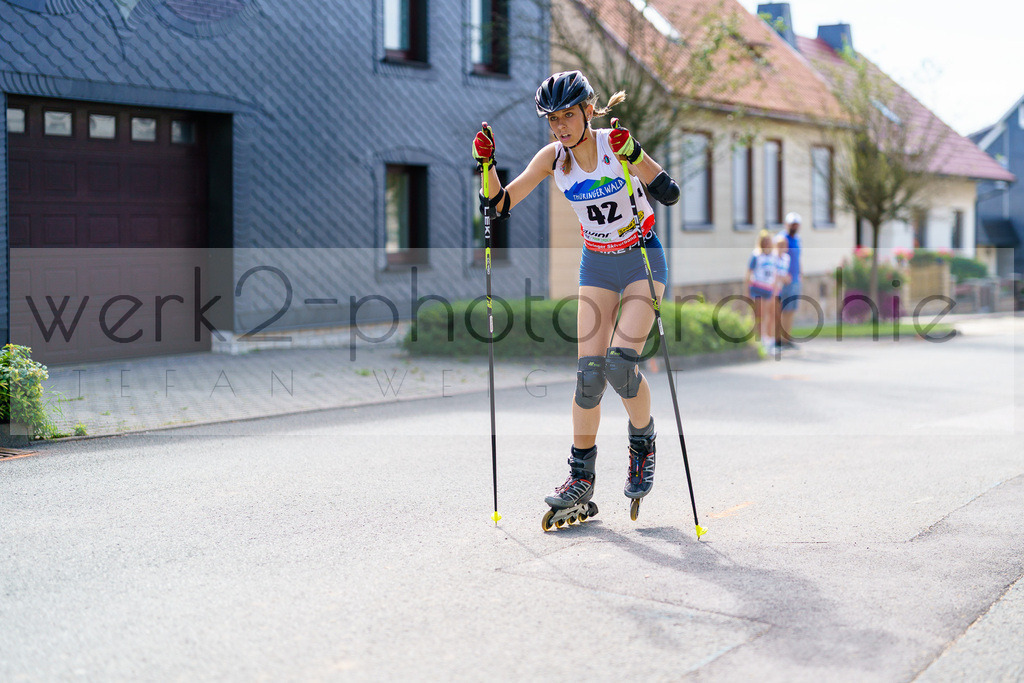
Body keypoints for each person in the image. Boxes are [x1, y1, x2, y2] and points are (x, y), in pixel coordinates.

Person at [472, 70, 681, 514]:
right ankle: (581, 478)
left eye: (568, 115)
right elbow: (498, 205)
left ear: (588, 110)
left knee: (620, 366)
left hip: (641, 258)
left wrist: (635, 153)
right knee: (589, 377)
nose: (560, 126)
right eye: (553, 119)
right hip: (598, 264)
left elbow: (669, 192)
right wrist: (486, 167)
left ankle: (642, 445)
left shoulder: (614, 144)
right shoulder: (552, 158)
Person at [746, 230, 778, 351]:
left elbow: (775, 273)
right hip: (757, 288)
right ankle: (759, 339)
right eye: (764, 241)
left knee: (769, 314)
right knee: (759, 314)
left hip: (768, 289)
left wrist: (775, 288)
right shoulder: (756, 255)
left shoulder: (773, 256)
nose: (766, 244)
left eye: (768, 241)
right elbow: (749, 273)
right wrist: (747, 290)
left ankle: (768, 339)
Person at [777, 212, 802, 347]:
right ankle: (778, 338)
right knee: (781, 309)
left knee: (791, 309)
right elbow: (776, 258)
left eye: (796, 224)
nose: (794, 227)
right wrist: (782, 275)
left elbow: (798, 258)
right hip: (784, 280)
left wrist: (800, 273)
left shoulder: (798, 239)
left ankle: (787, 338)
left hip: (795, 279)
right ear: (787, 224)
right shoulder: (781, 239)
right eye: (792, 224)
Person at [773, 234, 791, 349]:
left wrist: (785, 278)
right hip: (772, 289)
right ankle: (774, 339)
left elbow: (784, 274)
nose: (782, 247)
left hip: (781, 288)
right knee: (774, 314)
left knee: (780, 314)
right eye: (780, 245)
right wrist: (782, 277)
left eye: (784, 245)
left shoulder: (786, 258)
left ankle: (779, 339)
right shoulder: (773, 257)